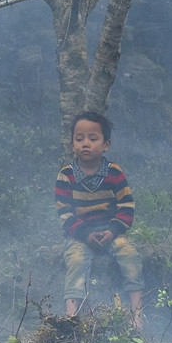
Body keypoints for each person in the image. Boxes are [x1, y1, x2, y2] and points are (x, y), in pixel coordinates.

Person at [56, 111, 143, 327]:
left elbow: (126, 206)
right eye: (79, 139)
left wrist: (112, 231)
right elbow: (65, 214)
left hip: (111, 232)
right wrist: (85, 234)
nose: (85, 144)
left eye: (93, 139)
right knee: (76, 260)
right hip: (80, 235)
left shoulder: (114, 173)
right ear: (72, 143)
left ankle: (137, 313)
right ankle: (72, 315)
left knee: (129, 254)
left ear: (106, 144)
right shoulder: (66, 175)